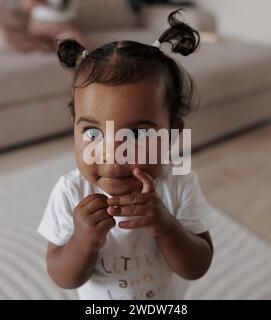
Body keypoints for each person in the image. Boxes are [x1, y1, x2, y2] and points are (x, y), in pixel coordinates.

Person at [37, 9, 214, 300]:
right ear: (74, 129)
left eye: (136, 135)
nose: (112, 154)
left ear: (171, 133)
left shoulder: (179, 185)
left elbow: (196, 267)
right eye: (93, 133)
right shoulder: (71, 192)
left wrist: (165, 226)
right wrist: (83, 242)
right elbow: (62, 277)